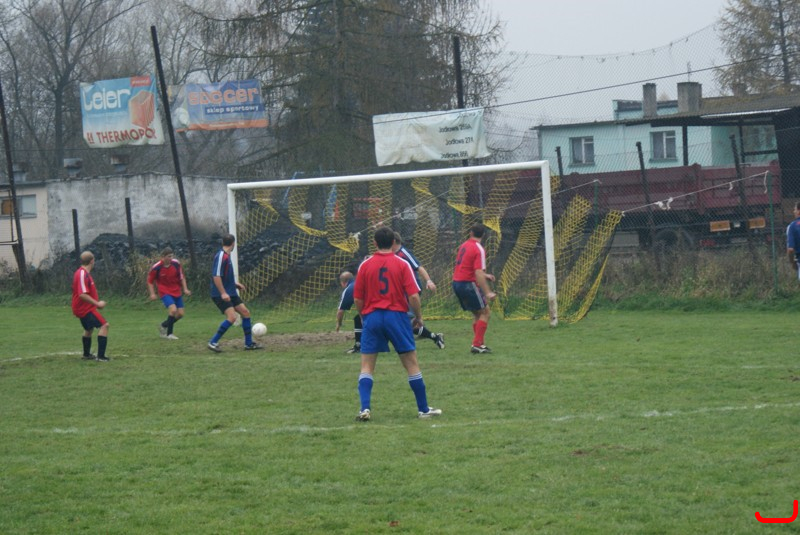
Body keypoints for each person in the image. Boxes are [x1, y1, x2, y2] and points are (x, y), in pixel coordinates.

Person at [353, 226, 442, 421]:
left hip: (373, 316)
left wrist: (364, 316)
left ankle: (364, 409)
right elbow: (413, 296)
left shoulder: (365, 265)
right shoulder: (402, 264)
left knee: (367, 365)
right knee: (411, 363)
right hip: (397, 317)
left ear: (375, 243)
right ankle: (423, 409)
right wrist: (418, 317)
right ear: (394, 242)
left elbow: (358, 297)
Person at [207, 233, 263, 352]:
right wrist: (223, 293)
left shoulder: (227, 256)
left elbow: (225, 276)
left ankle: (248, 344)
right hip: (220, 294)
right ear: (233, 244)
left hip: (230, 292)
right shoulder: (221, 256)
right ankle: (213, 342)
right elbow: (216, 276)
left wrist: (235, 284)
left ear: (223, 242)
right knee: (232, 317)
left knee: (245, 313)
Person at [392, 232, 445, 349]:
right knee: (403, 320)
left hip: (411, 290)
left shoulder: (403, 253)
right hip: (401, 292)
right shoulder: (392, 255)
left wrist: (429, 281)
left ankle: (433, 336)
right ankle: (432, 336)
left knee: (405, 321)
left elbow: (419, 267)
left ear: (393, 241)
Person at [452, 223, 497, 354]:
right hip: (468, 284)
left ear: (471, 233)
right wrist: (488, 292)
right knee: (486, 312)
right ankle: (477, 344)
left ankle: (479, 344)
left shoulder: (464, 245)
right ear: (483, 235)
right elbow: (477, 272)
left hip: (457, 283)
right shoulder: (479, 249)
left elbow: (466, 266)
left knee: (478, 313)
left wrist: (485, 275)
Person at [71, 251, 110, 362]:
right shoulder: (82, 274)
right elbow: (82, 294)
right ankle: (101, 357)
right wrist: (97, 304)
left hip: (83, 307)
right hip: (84, 308)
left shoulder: (83, 273)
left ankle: (87, 355)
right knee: (104, 325)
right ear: (92, 261)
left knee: (89, 329)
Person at [147, 247, 191, 340]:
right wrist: (152, 293)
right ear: (163, 257)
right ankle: (169, 334)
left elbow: (182, 277)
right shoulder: (156, 267)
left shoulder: (176, 264)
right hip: (164, 291)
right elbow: (150, 281)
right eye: (169, 256)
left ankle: (163, 325)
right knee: (173, 310)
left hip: (176, 290)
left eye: (172, 256)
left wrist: (185, 289)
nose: (171, 258)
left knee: (180, 314)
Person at [335, 271, 362, 354]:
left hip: (373, 309)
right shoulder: (360, 283)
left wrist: (339, 323)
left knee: (358, 320)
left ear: (343, 282)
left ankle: (359, 346)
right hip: (382, 306)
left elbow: (340, 311)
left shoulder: (349, 289)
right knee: (360, 318)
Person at [787, 201, 800, 279]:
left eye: (795, 209)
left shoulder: (792, 226)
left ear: (799, 211)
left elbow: (790, 249)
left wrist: (792, 262)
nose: (794, 211)